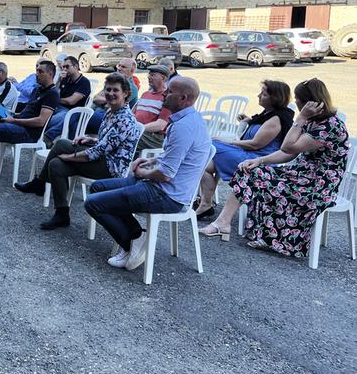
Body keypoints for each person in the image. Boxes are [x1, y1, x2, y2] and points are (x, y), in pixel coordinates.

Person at [200, 79, 349, 256]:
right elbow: (288, 155)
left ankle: (223, 224)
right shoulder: (313, 122)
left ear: (309, 102)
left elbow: (287, 147)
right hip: (301, 174)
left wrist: (300, 119)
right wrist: (260, 161)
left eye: (298, 99)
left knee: (256, 176)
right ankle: (222, 223)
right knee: (249, 170)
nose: (296, 103)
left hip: (317, 184)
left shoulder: (329, 126)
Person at [84, 77, 211, 271]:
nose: (165, 95)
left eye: (169, 92)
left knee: (93, 203)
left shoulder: (184, 127)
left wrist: (143, 172)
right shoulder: (190, 118)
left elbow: (165, 175)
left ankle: (132, 242)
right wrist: (150, 161)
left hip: (167, 194)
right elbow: (174, 156)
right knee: (97, 187)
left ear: (183, 97)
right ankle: (137, 236)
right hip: (164, 187)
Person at [15, 73, 143, 230]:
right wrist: (88, 140)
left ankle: (39, 183)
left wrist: (71, 157)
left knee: (62, 144)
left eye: (115, 90)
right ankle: (62, 214)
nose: (110, 93)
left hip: (111, 168)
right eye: (107, 89)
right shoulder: (111, 112)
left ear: (126, 93)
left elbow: (98, 152)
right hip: (103, 158)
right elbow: (106, 142)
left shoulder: (125, 119)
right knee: (56, 164)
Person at [194, 80, 293, 220]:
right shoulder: (269, 113)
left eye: (263, 94)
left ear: (274, 98)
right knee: (205, 165)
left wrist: (230, 142)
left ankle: (205, 203)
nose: (259, 96)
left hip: (258, 160)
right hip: (249, 155)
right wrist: (248, 120)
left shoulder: (276, 119)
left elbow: (255, 144)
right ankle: (205, 204)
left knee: (213, 145)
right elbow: (259, 128)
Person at [70, 58, 139, 138]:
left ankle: (70, 142)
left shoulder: (131, 88)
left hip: (111, 119)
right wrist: (107, 101)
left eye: (123, 67)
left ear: (132, 70)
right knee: (76, 122)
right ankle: (74, 143)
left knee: (76, 114)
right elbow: (95, 98)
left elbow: (113, 106)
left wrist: (104, 102)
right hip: (98, 115)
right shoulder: (114, 83)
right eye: (119, 65)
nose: (119, 68)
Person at [44, 55, 91, 142]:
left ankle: (48, 136)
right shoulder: (65, 79)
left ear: (76, 67)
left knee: (52, 120)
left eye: (67, 66)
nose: (64, 69)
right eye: (63, 67)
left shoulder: (84, 82)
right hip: (58, 107)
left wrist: (55, 99)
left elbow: (71, 101)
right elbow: (55, 93)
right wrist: (58, 80)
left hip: (72, 110)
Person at [132, 64, 171, 155]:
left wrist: (137, 129)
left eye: (153, 75)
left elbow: (160, 125)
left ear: (163, 78)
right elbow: (132, 114)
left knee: (126, 137)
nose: (149, 77)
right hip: (139, 132)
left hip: (154, 137)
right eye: (149, 74)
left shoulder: (167, 97)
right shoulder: (145, 94)